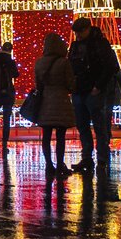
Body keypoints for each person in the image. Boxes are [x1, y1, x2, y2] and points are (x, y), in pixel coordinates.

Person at [66, 17, 121, 172]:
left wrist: (98, 86)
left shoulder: (100, 44)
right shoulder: (77, 45)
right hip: (81, 90)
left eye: (80, 32)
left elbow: (111, 67)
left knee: (100, 126)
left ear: (87, 29)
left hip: (94, 91)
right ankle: (87, 158)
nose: (77, 36)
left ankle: (101, 159)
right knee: (83, 125)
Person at [35, 33, 76, 176]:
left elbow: (38, 85)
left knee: (46, 136)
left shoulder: (39, 63)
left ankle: (48, 165)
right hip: (61, 102)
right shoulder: (64, 62)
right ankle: (60, 165)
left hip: (45, 102)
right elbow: (71, 84)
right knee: (61, 136)